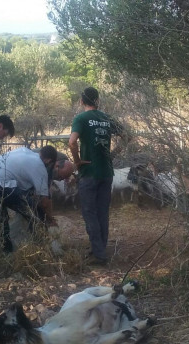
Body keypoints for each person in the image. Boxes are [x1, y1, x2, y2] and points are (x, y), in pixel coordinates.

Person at [69, 87, 127, 265]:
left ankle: (99, 254)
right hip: (106, 172)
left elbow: (72, 142)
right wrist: (113, 155)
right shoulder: (106, 118)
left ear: (81, 101)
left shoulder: (81, 118)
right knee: (102, 211)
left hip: (89, 172)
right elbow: (127, 136)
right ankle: (99, 248)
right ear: (98, 100)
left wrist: (77, 161)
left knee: (89, 212)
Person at [0, 146, 58, 252]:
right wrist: (50, 219)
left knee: (0, 219)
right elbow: (44, 202)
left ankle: (5, 252)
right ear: (48, 160)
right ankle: (42, 248)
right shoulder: (40, 166)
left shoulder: (24, 151)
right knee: (34, 212)